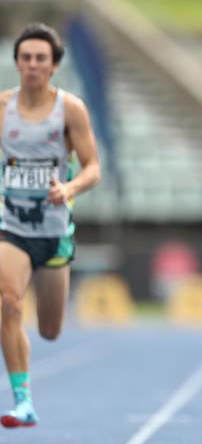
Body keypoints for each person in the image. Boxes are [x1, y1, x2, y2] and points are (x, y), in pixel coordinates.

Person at [0, 22, 100, 428]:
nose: (33, 65)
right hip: (12, 225)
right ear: (17, 63)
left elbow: (93, 166)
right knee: (8, 302)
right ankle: (23, 400)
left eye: (41, 58)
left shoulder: (69, 109)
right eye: (26, 58)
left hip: (56, 231)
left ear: (54, 65)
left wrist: (70, 187)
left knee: (51, 329)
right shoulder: (3, 107)